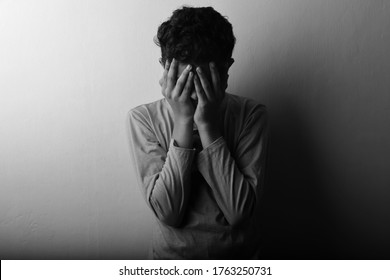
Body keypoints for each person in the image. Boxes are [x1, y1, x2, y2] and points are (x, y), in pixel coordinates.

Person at [127, 6, 268, 259]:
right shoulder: (143, 119)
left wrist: (207, 126)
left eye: (205, 81)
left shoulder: (251, 114)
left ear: (226, 69)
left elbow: (238, 213)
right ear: (165, 68)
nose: (194, 94)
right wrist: (182, 121)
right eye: (186, 81)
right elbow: (169, 213)